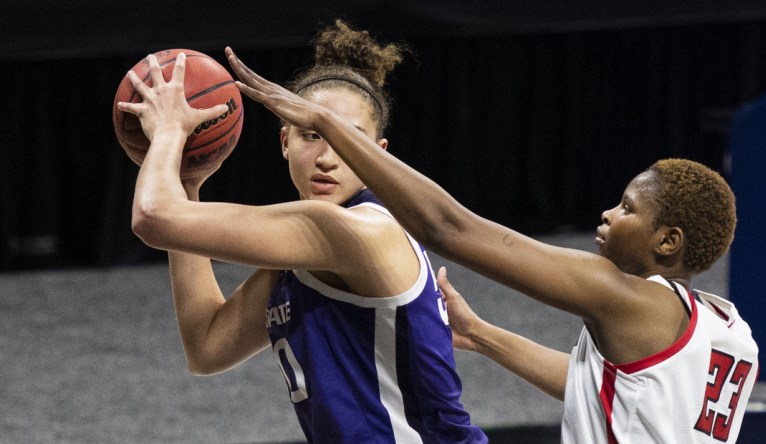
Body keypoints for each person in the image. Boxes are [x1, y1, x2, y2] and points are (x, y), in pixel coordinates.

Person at [225, 47, 760, 443]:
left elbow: (449, 228)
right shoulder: (727, 329)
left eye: (627, 208)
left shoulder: (620, 295)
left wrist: (324, 122)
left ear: (668, 241)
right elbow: (594, 386)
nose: (607, 213)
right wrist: (481, 334)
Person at [117, 20, 488, 443]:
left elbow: (152, 217)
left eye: (349, 139)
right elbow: (207, 346)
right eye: (312, 135)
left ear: (377, 156)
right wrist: (187, 182)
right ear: (284, 143)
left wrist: (168, 132)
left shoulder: (352, 231)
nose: (328, 157)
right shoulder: (305, 254)